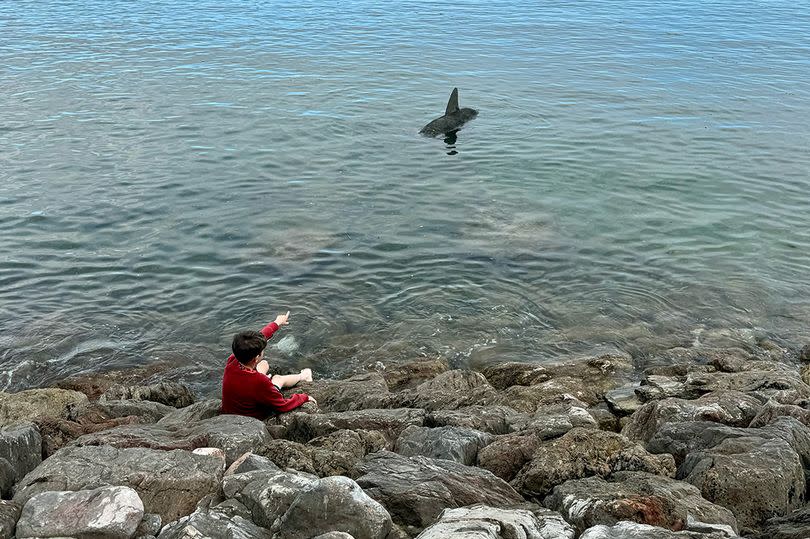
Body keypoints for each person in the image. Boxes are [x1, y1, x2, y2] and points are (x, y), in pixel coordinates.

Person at [221, 311, 316, 419]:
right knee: (278, 379)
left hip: (228, 414)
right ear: (256, 358)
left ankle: (301, 376)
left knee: (264, 366)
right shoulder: (260, 381)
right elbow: (282, 405)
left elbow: (260, 338)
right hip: (252, 419)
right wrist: (304, 398)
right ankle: (303, 376)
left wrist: (276, 323)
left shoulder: (232, 360)